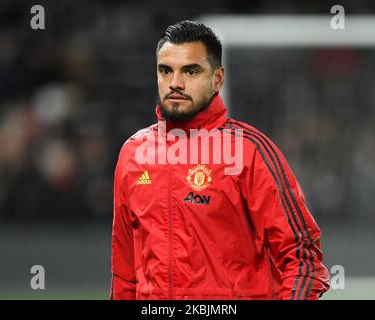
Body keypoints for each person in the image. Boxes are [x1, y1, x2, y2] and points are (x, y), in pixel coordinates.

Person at [110, 20, 329, 300]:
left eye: (191, 71)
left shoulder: (250, 152)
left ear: (218, 79)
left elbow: (303, 258)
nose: (175, 83)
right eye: (166, 70)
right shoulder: (134, 153)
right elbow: (125, 274)